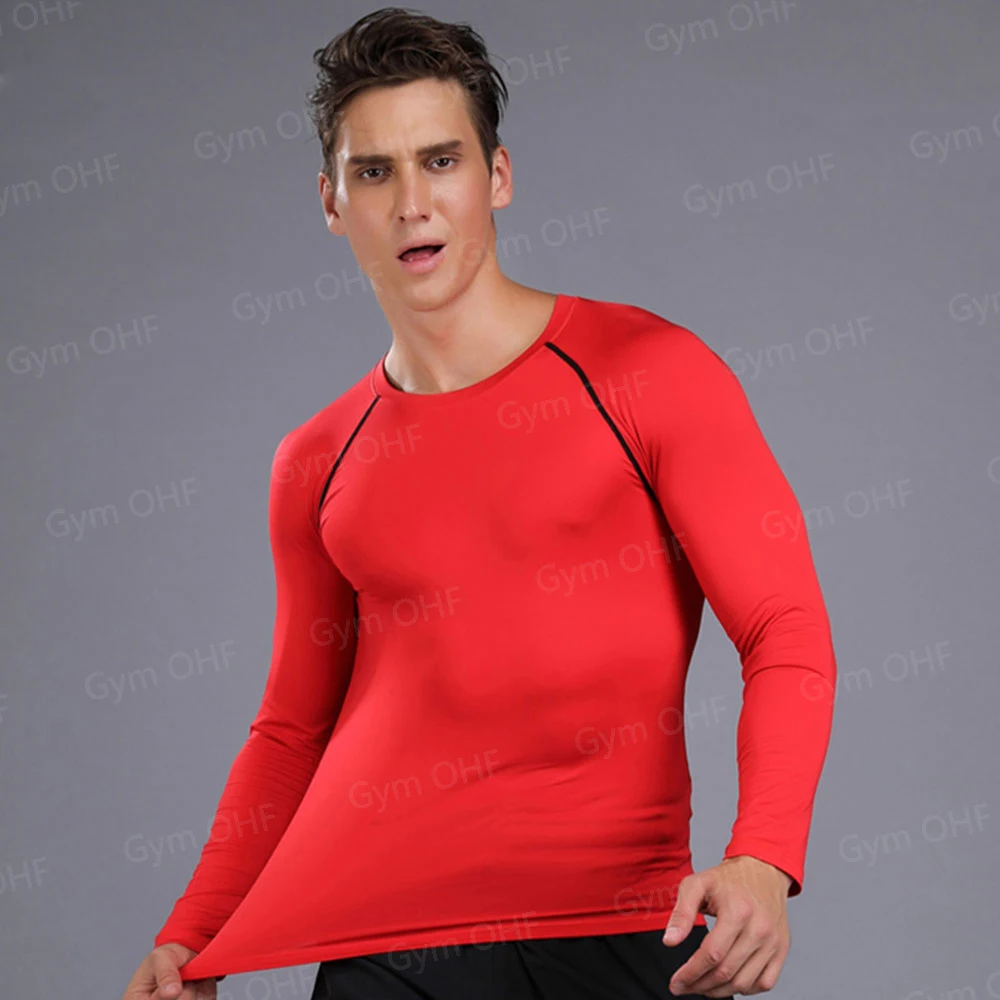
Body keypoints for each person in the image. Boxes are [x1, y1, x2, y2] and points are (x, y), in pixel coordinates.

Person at [121, 7, 837, 1000]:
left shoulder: (648, 373)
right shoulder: (315, 461)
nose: (413, 203)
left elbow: (782, 626)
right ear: (332, 202)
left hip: (617, 926)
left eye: (441, 161)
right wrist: (191, 934)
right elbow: (290, 728)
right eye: (375, 172)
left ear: (496, 176)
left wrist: (763, 852)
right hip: (386, 950)